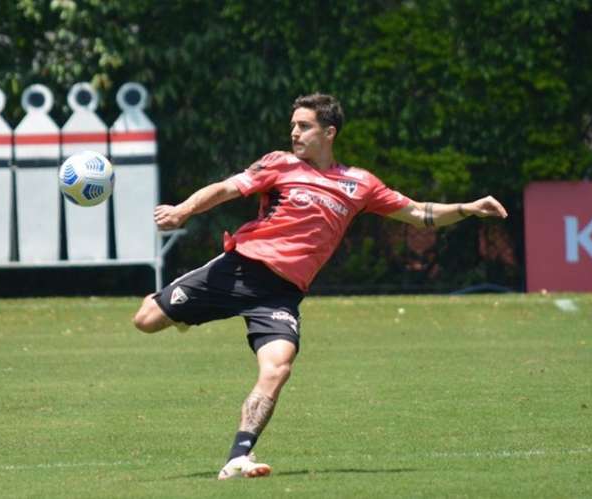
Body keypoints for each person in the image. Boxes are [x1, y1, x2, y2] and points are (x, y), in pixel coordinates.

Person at [132, 93, 508, 480]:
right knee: (145, 320)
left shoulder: (359, 183)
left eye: (304, 125)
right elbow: (225, 189)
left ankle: (238, 456)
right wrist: (182, 210)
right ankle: (184, 314)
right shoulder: (279, 164)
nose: (294, 132)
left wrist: (467, 208)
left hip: (281, 295)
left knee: (278, 368)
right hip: (239, 269)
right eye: (293, 125)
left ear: (329, 132)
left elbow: (416, 213)